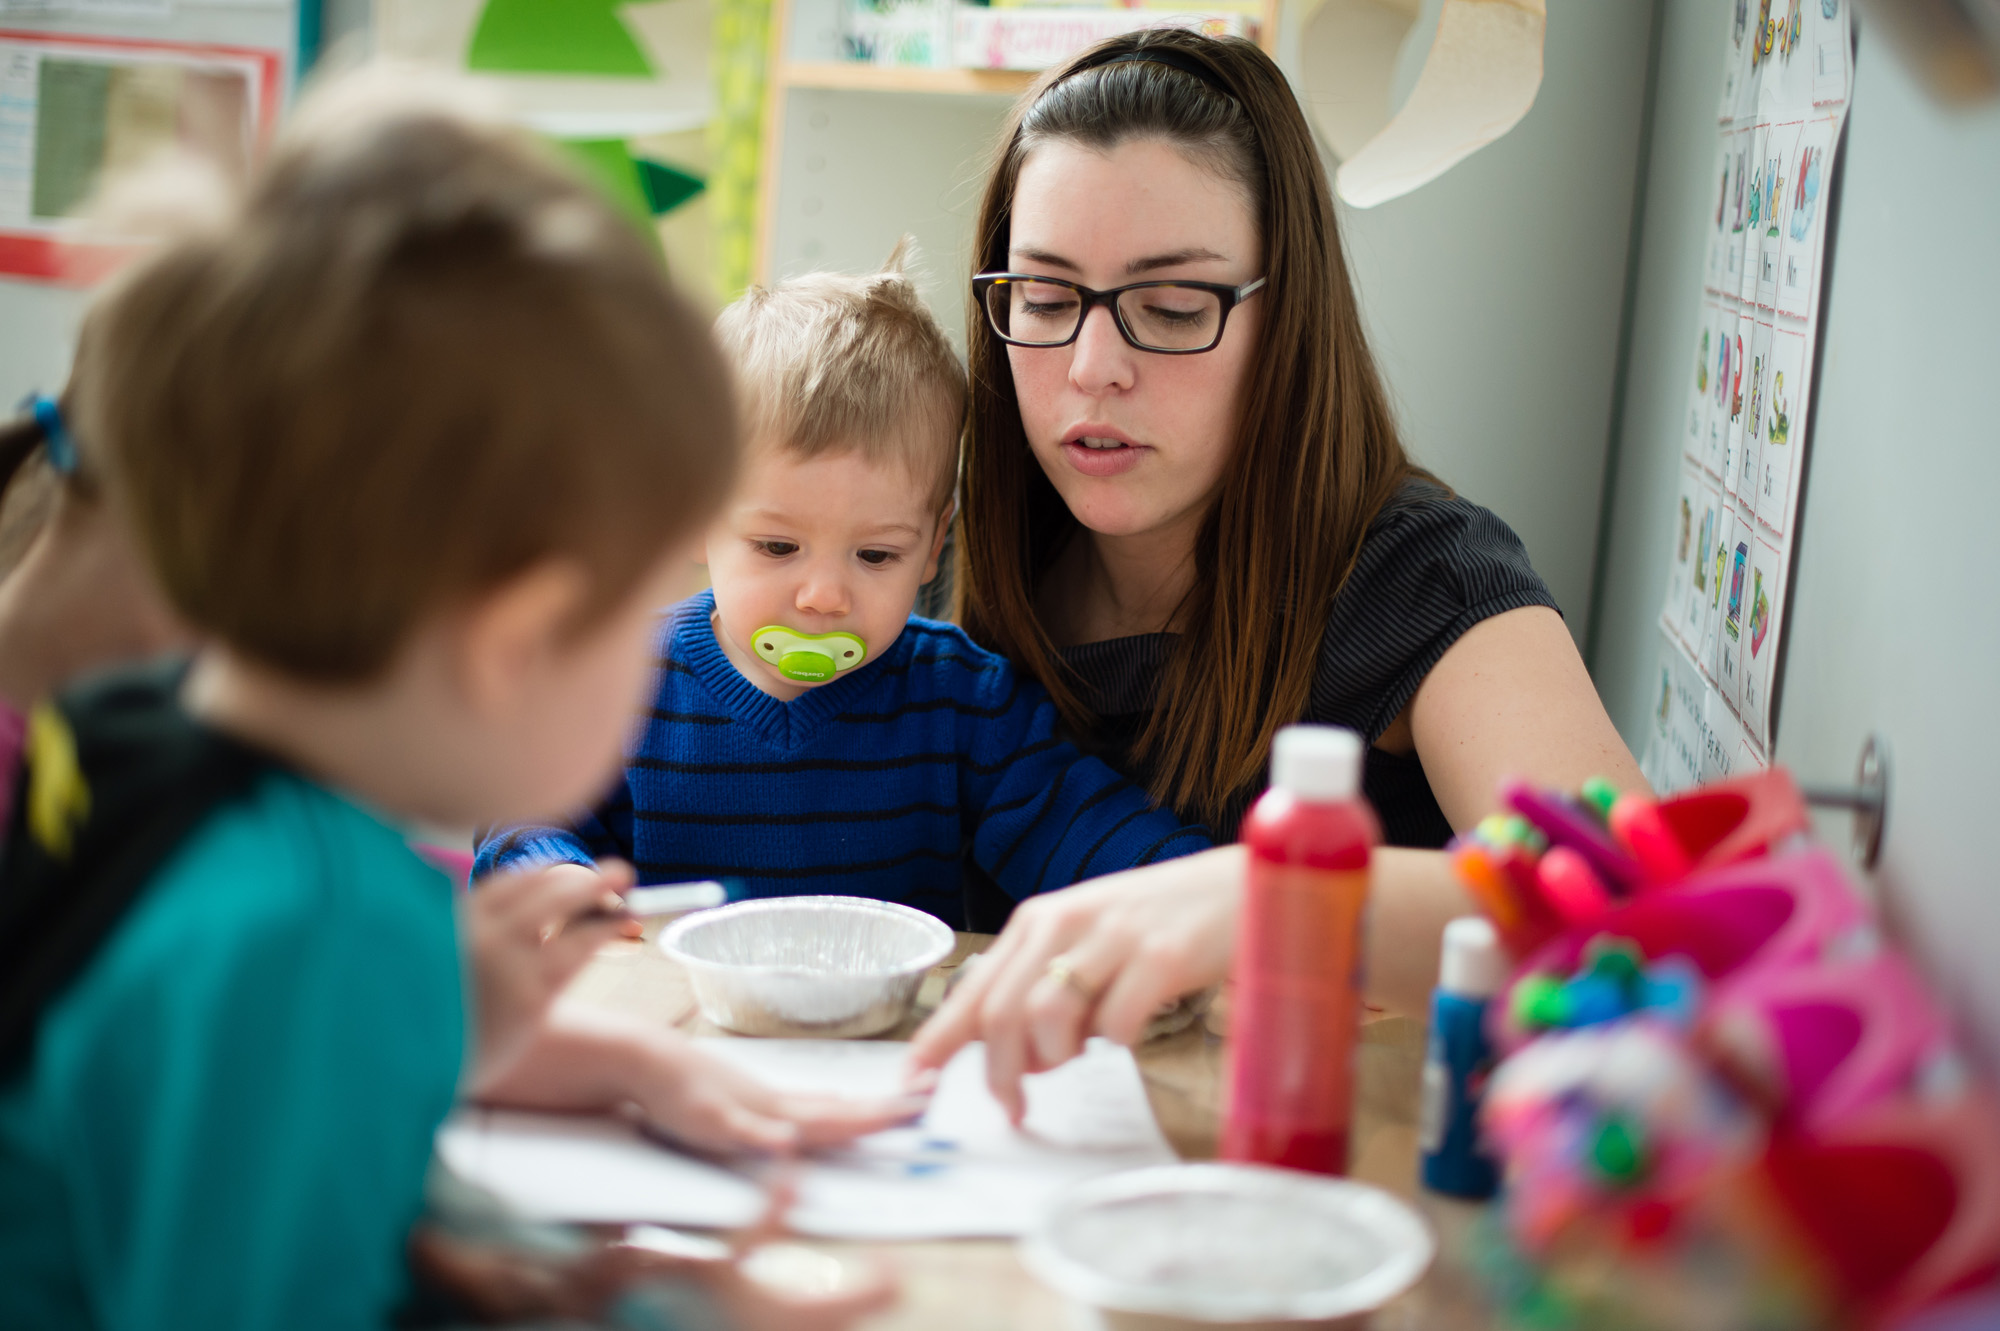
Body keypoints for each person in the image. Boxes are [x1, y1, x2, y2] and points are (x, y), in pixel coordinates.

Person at [0, 78, 889, 1329]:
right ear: (513, 640)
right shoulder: (313, 920)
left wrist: (453, 1035)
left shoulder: (142, 738)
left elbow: (225, 1142)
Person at [912, 30, 1648, 1116]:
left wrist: (1271, 901)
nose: (1090, 368)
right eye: (1042, 296)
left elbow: (1636, 922)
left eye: (1170, 308)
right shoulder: (939, 572)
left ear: (1284, 318)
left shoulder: (1425, 579)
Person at [477, 254, 1210, 926]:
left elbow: (1086, 832)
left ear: (933, 544)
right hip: (677, 1036)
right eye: (777, 547)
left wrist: (1210, 894)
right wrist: (557, 883)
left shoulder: (963, 700)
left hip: (877, 1050)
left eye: (876, 554)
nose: (824, 595)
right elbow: (522, 814)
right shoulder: (620, 675)